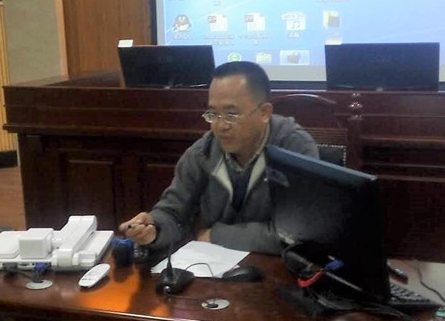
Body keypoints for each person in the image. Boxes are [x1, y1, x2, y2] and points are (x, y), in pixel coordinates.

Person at [119, 61, 319, 255]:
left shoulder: (295, 148)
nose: (221, 126)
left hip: (277, 268)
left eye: (231, 115)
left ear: (264, 113)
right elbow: (173, 214)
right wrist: (154, 229)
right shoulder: (202, 152)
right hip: (215, 266)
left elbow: (301, 232)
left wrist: (217, 235)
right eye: (213, 114)